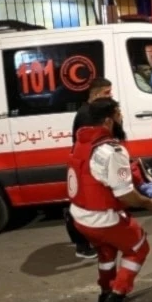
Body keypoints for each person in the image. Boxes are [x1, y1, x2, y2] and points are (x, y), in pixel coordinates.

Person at [68, 98, 152, 302]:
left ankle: (104, 294)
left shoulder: (80, 144)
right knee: (139, 247)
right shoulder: (113, 152)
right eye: (119, 114)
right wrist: (151, 204)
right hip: (102, 219)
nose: (122, 118)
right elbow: (126, 195)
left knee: (107, 253)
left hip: (79, 218)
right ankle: (117, 296)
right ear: (109, 120)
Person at [66, 78, 113, 259]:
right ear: (96, 94)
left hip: (86, 162)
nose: (110, 96)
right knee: (82, 203)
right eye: (107, 93)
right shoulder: (87, 114)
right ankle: (81, 244)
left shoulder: (90, 111)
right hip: (85, 163)